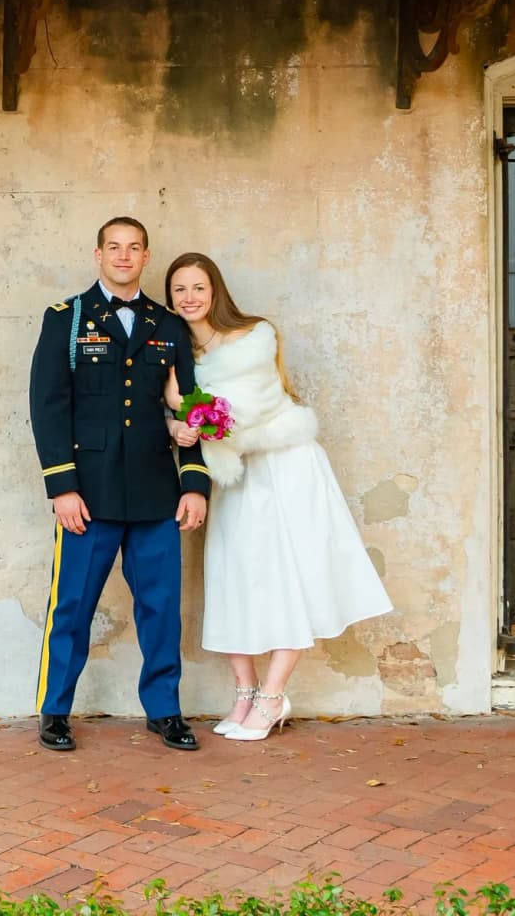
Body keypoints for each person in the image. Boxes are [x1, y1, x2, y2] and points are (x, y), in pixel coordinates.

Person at [162, 253, 392, 742]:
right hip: (233, 476)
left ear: (215, 290)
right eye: (179, 289)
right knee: (234, 578)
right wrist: (176, 423)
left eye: (198, 287)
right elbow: (176, 410)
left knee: (291, 575)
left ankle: (273, 694)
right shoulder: (177, 353)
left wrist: (199, 421)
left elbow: (249, 408)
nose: (189, 298)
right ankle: (244, 692)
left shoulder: (254, 336)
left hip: (285, 465)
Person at [28, 217, 212, 754]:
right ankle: (55, 711)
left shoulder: (168, 324)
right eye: (115, 247)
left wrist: (194, 482)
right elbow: (48, 406)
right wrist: (62, 486)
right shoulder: (66, 318)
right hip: (89, 493)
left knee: (161, 608)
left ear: (147, 257)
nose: (124, 256)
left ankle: (164, 711)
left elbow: (192, 406)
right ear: (98, 254)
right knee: (72, 607)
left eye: (134, 248)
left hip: (157, 491)